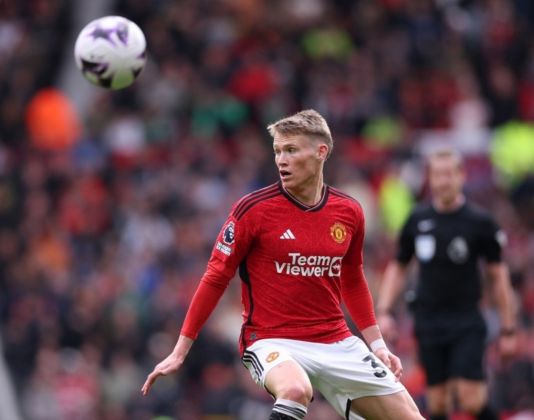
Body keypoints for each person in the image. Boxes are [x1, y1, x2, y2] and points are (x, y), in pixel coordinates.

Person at [142, 110, 423, 420]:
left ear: (321, 152)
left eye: (291, 150)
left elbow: (353, 279)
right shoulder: (253, 210)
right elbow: (215, 277)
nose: (281, 160)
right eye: (277, 151)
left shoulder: (349, 211)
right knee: (294, 390)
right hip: (272, 340)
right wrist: (180, 350)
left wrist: (378, 344)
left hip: (338, 341)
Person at [376, 148, 517, 420]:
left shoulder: (480, 222)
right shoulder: (417, 219)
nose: (443, 181)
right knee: (437, 403)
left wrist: (508, 329)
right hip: (428, 321)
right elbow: (398, 267)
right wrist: (384, 311)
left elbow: (498, 276)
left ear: (461, 176)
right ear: (430, 178)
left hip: (466, 320)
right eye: (437, 175)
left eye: (449, 174)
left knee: (470, 398)